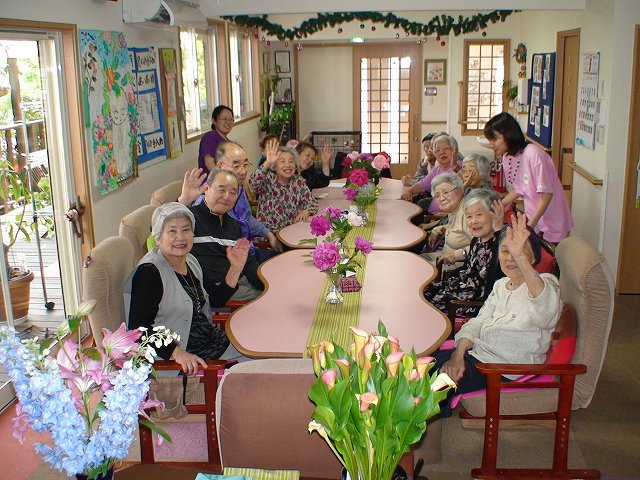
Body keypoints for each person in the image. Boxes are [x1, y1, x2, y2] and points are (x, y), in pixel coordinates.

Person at [432, 212, 561, 416]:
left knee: (429, 387)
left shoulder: (546, 285)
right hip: (477, 356)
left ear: (534, 257)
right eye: (505, 251)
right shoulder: (501, 285)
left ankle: (421, 431)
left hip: (501, 369)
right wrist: (458, 354)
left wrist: (520, 257)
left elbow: (546, 310)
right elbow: (478, 322)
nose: (510, 258)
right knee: (419, 366)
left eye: (520, 252)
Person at [124, 203, 246, 374]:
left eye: (186, 229)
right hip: (192, 358)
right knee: (263, 365)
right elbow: (138, 329)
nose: (180, 237)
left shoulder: (190, 260)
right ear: (157, 238)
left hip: (213, 342)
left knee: (263, 347)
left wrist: (235, 268)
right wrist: (176, 353)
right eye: (172, 231)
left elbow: (215, 300)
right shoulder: (150, 272)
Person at [179, 141, 283, 263]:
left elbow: (246, 218)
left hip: (248, 252)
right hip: (230, 261)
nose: (243, 171)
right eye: (236, 166)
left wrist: (268, 234)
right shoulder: (205, 200)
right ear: (219, 166)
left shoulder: (238, 188)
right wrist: (183, 202)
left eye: (245, 164)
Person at [484, 112, 574, 243]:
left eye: (494, 140)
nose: (491, 144)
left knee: (551, 254)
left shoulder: (534, 154)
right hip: (535, 221)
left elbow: (546, 195)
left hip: (552, 221)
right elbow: (519, 189)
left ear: (508, 135)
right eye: (489, 140)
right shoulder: (508, 157)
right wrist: (497, 207)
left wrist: (529, 227)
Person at [423, 188, 504, 316]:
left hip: (471, 302)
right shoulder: (477, 240)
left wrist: (498, 229)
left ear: (494, 214)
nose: (473, 221)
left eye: (479, 215)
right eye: (469, 216)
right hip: (460, 286)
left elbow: (494, 277)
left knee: (424, 306)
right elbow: (468, 269)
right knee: (421, 292)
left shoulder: (501, 244)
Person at [188, 168, 263, 301]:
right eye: (221, 190)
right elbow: (161, 228)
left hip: (242, 281)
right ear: (206, 189)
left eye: (233, 192)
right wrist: (182, 201)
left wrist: (265, 284)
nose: (227, 196)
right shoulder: (190, 218)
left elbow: (248, 261)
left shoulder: (235, 225)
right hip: (218, 289)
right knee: (271, 300)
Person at [249, 138, 319, 231]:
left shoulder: (298, 181)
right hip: (268, 233)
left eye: (291, 161)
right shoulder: (268, 179)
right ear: (275, 166)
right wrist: (268, 162)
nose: (288, 165)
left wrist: (306, 211)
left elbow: (312, 203)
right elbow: (253, 184)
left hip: (290, 230)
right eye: (282, 161)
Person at [421, 172, 473, 263]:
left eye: (446, 192)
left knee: (418, 267)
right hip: (444, 257)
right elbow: (456, 228)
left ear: (460, 190)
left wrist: (457, 255)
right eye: (437, 195)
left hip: (458, 264)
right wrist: (436, 230)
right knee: (418, 259)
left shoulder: (467, 213)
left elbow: (481, 244)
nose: (442, 198)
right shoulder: (454, 210)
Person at [402, 135, 460, 215]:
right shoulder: (438, 169)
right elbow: (421, 186)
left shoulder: (461, 168)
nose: (442, 152)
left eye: (446, 149)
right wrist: (409, 192)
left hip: (444, 215)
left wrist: (456, 169)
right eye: (437, 150)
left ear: (455, 150)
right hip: (431, 210)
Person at [198, 105, 235, 177]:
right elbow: (209, 163)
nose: (228, 122)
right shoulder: (209, 137)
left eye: (231, 119)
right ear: (214, 121)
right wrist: (224, 179)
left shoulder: (228, 142)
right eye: (224, 119)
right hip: (211, 181)